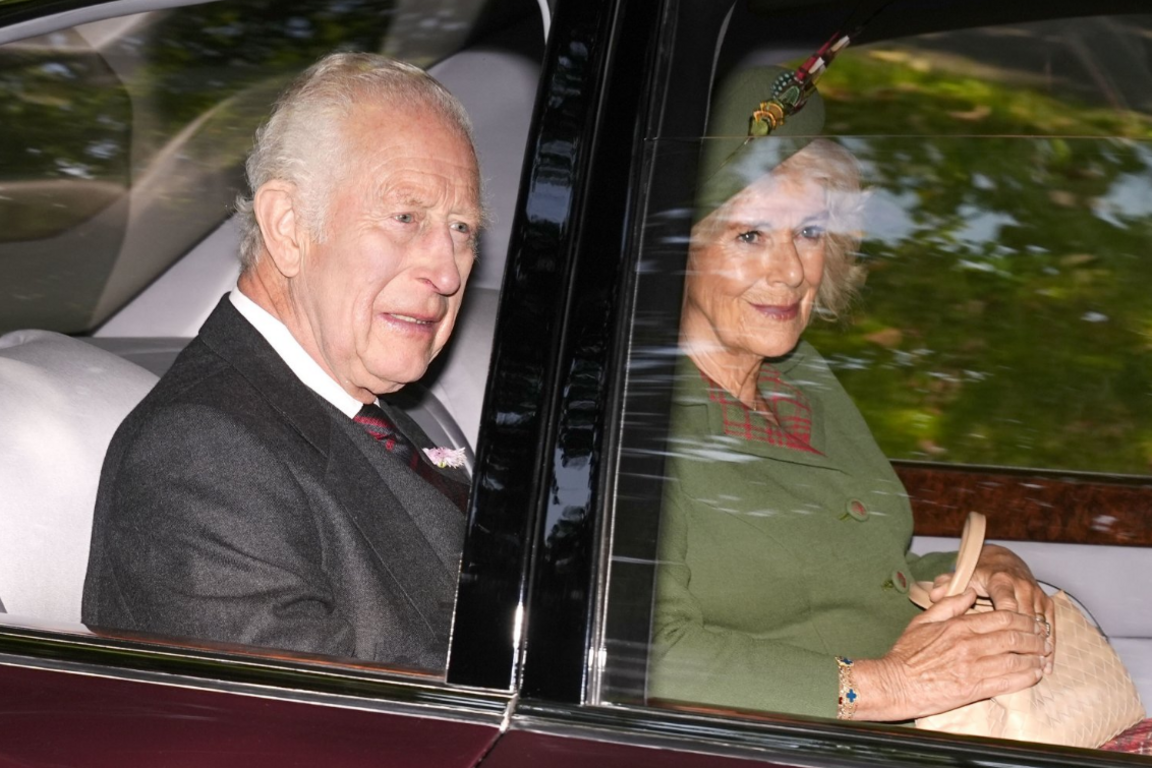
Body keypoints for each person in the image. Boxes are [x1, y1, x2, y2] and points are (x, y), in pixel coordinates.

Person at [648, 65, 1055, 721]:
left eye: (809, 232)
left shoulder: (800, 379)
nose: (789, 270)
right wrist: (882, 687)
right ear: (678, 251)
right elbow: (637, 651)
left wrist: (985, 567)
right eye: (749, 234)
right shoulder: (635, 422)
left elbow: (859, 570)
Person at [82, 52, 481, 671]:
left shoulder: (371, 410)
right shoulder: (198, 457)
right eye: (407, 217)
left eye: (462, 229)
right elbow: (318, 736)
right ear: (289, 227)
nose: (449, 270)